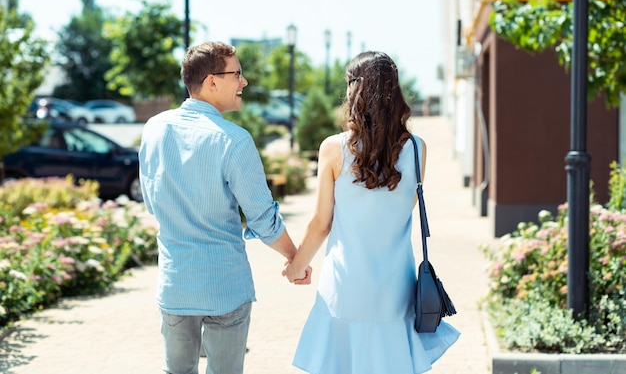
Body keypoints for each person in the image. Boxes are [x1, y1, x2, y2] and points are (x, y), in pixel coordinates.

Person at [139, 41, 311, 374]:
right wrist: (295, 258)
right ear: (212, 82)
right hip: (225, 288)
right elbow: (263, 219)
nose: (243, 82)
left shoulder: (154, 129)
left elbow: (151, 202)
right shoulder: (233, 140)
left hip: (176, 285)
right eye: (237, 74)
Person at [283, 51, 460, 374]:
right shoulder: (418, 149)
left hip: (345, 285)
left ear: (354, 91)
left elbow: (322, 223)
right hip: (396, 290)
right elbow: (401, 213)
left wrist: (297, 266)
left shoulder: (334, 148)